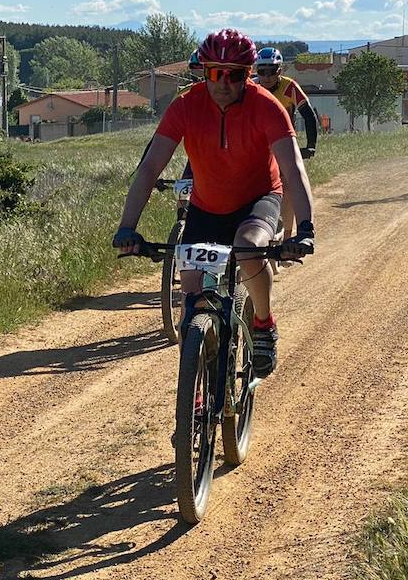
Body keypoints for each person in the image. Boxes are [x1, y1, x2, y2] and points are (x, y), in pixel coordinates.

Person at [113, 29, 315, 377]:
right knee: (191, 291)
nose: (223, 83)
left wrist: (306, 228)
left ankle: (264, 324)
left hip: (258, 199)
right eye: (214, 73)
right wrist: (127, 226)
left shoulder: (266, 106)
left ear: (247, 74)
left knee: (248, 247)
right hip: (207, 207)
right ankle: (196, 388)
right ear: (203, 71)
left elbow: (293, 169)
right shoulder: (186, 106)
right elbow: (149, 168)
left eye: (234, 75)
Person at [253, 46, 319, 237]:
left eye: (271, 71)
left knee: (289, 188)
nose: (266, 77)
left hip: (283, 143)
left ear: (279, 70)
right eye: (261, 71)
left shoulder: (289, 87)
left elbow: (308, 115)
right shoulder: (253, 87)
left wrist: (311, 145)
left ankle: (288, 237)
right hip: (259, 145)